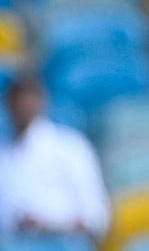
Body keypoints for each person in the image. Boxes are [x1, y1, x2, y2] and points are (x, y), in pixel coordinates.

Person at [0, 73, 109, 241]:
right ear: (8, 105)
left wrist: (52, 226)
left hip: (67, 244)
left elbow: (96, 216)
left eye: (28, 99)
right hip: (15, 248)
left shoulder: (71, 147)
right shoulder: (4, 157)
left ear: (42, 102)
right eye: (17, 101)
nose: (23, 107)